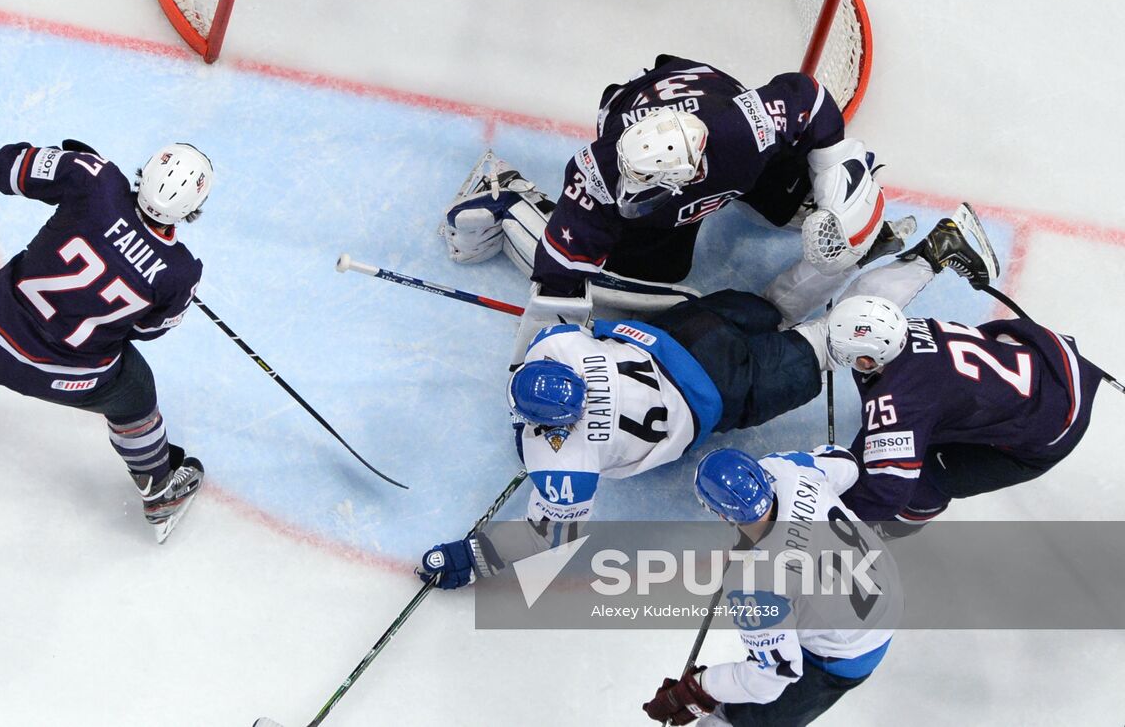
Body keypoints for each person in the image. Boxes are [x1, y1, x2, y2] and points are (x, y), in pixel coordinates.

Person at [415, 210, 992, 583]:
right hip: (692, 329)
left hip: (724, 389)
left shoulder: (565, 461)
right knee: (778, 305)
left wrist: (469, 560)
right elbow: (583, 324)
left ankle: (931, 255)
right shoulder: (557, 351)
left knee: (833, 337)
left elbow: (548, 538)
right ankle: (861, 252)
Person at [438, 54, 905, 361]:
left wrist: (834, 172)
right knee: (651, 269)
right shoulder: (600, 172)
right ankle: (507, 198)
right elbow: (560, 270)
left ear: (691, 173)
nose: (630, 195)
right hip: (639, 97)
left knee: (793, 197)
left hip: (712, 97)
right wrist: (544, 347)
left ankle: (788, 194)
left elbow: (810, 98)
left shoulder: (742, 132)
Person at [0, 139, 212, 542]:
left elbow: (1, 169)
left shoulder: (94, 178)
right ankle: (159, 488)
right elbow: (147, 331)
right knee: (135, 390)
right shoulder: (180, 272)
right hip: (68, 379)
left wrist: (66, 164)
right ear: (193, 207)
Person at [640, 446, 899, 726]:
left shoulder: (753, 581)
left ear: (723, 516)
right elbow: (846, 463)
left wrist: (699, 688)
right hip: (886, 589)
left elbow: (774, 676)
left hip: (849, 652)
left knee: (734, 722)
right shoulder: (784, 468)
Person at [833, 291, 1107, 536]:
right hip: (1053, 358)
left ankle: (878, 533)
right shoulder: (909, 329)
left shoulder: (901, 398)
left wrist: (835, 518)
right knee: (904, 432)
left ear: (867, 359)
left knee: (930, 479)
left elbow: (888, 493)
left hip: (1054, 428)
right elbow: (889, 417)